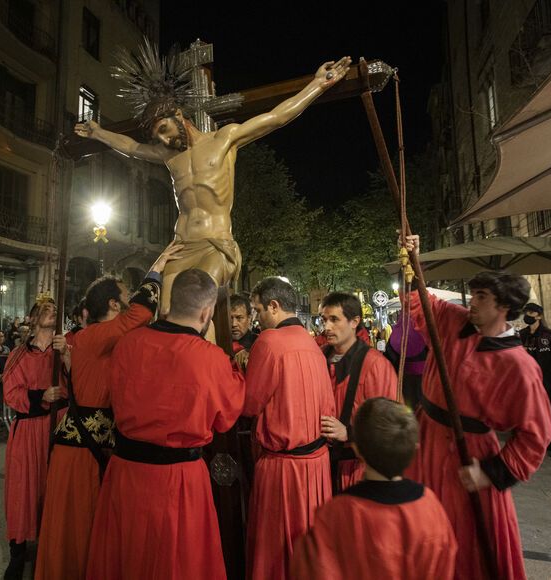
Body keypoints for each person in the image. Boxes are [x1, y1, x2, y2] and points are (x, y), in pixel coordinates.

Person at [76, 44, 351, 322]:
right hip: (181, 244)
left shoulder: (224, 140)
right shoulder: (169, 156)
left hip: (215, 243)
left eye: (163, 129)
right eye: (156, 136)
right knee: (167, 311)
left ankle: (207, 360)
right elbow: (132, 147)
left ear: (178, 115)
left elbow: (276, 117)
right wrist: (99, 133)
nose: (162, 139)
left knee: (198, 304)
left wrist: (317, 85)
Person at [401, 234, 551, 580]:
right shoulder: (455, 322)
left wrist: (491, 473)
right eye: (473, 294)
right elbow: (418, 301)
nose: (472, 302)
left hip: (466, 454)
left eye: (481, 297)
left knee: (463, 542)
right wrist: (413, 259)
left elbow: (536, 435)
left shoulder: (519, 365)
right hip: (426, 440)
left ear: (503, 306)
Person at [86, 268, 245, 580]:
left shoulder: (128, 344)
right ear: (207, 311)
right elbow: (227, 418)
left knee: (127, 559)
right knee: (178, 564)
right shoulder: (212, 359)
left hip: (126, 473)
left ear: (171, 302)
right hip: (180, 480)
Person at [36, 244, 178, 580]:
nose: (129, 298)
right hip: (83, 450)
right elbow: (142, 312)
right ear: (114, 304)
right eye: (125, 294)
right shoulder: (99, 334)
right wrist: (155, 271)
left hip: (85, 444)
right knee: (83, 522)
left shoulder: (94, 338)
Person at [291, 397, 457, 579]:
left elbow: (313, 570)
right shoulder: (431, 508)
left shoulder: (339, 513)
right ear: (415, 449)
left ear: (357, 449)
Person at [242, 276, 336, 580]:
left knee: (276, 548)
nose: (257, 319)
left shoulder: (268, 342)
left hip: (283, 467)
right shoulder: (312, 342)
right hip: (317, 464)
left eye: (257, 311)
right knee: (308, 544)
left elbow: (249, 404)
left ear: (274, 306)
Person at [2, 295, 69, 579]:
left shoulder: (64, 348)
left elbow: (82, 380)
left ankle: (55, 545)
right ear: (31, 319)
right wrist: (40, 396)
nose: (50, 312)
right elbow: (10, 392)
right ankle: (17, 553)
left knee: (55, 486)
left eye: (54, 309)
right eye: (44, 309)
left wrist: (67, 355)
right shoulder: (18, 354)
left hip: (59, 426)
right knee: (23, 490)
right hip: (29, 430)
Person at [318, 292, 397, 491]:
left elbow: (391, 423)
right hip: (321, 469)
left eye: (334, 319)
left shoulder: (375, 365)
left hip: (357, 471)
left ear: (355, 322)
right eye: (324, 320)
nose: (326, 327)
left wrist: (351, 433)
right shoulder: (319, 358)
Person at [520, 303, 551, 457]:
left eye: (531, 312)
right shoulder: (522, 335)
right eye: (526, 312)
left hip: (550, 384)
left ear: (539, 316)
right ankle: (543, 443)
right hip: (530, 384)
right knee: (535, 416)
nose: (528, 315)